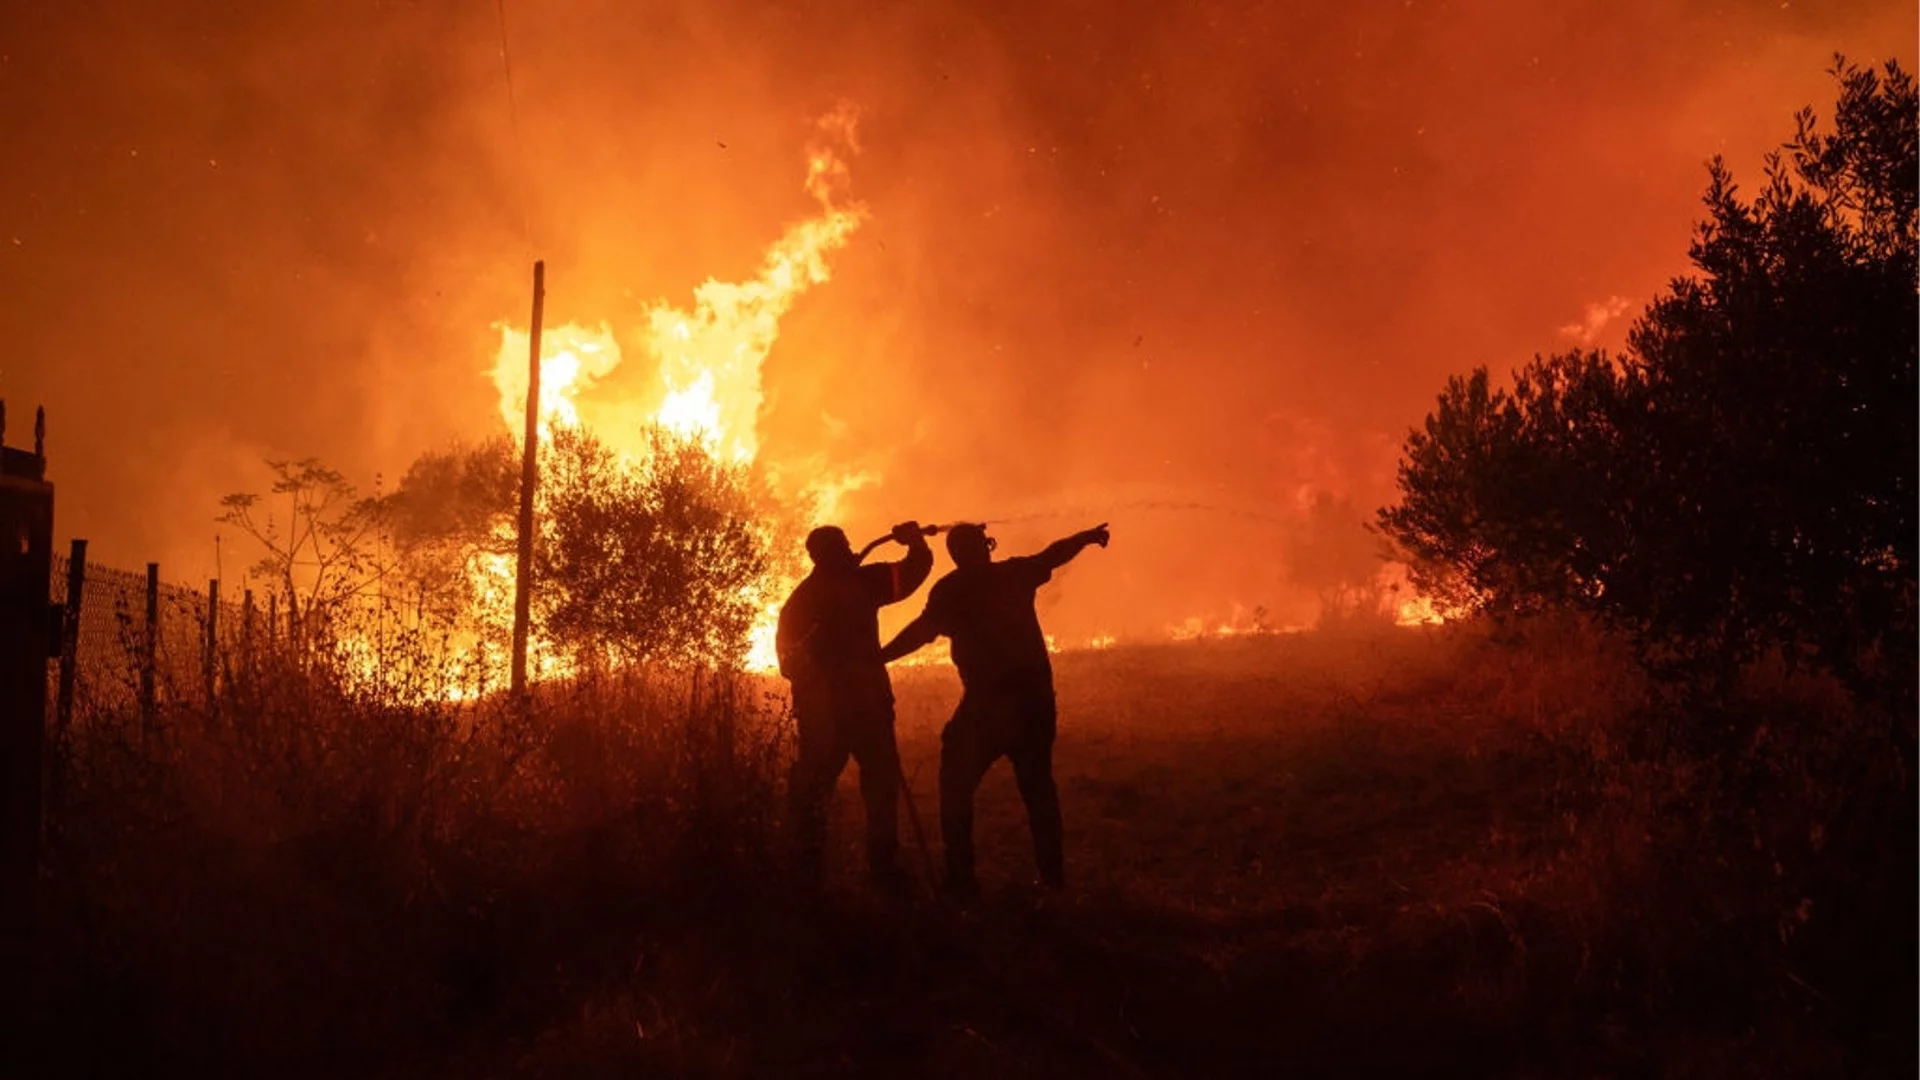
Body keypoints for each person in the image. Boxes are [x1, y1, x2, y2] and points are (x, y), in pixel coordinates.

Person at [879, 521, 1109, 898]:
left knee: (955, 783)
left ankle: (961, 879)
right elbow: (1053, 553)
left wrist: (880, 657)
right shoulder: (1014, 574)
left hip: (986, 705)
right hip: (1034, 700)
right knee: (1038, 788)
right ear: (986, 547)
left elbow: (922, 631)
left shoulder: (951, 590)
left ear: (954, 555)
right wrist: (1084, 537)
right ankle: (1053, 879)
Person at [776, 520, 933, 889]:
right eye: (842, 546)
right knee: (843, 784)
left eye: (847, 545)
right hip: (849, 710)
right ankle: (824, 864)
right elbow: (789, 661)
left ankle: (833, 863)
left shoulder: (816, 597)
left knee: (859, 784)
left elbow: (910, 574)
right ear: (824, 555)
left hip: (852, 709)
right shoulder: (856, 586)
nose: (850, 551)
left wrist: (917, 545)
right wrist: (915, 544)